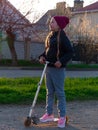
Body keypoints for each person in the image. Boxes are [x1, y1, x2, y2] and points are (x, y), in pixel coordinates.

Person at [39, 15, 73, 128]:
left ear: (59, 25)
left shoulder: (62, 37)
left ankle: (62, 116)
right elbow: (47, 51)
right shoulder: (50, 36)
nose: (50, 23)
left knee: (59, 93)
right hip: (48, 68)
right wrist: (42, 57)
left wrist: (61, 61)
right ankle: (49, 113)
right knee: (49, 92)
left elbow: (70, 52)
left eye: (53, 22)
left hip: (58, 70)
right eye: (50, 22)